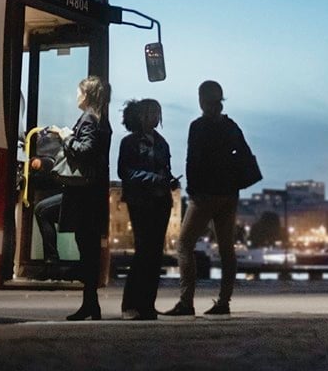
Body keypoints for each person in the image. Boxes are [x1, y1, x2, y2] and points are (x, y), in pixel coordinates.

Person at [164, 80, 246, 317]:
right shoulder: (231, 126)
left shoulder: (198, 126)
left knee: (184, 245)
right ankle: (223, 302)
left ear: (201, 99)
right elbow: (243, 156)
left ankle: (186, 301)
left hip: (204, 195)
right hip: (229, 194)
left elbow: (193, 160)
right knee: (226, 249)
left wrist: (192, 190)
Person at [56, 75, 112, 320]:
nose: (76, 96)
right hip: (94, 193)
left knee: (85, 246)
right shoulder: (102, 121)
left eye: (79, 92)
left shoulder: (88, 118)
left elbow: (86, 149)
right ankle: (91, 304)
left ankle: (58, 266)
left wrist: (65, 135)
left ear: (87, 95)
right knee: (89, 249)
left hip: (84, 195)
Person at [117, 99, 174, 321]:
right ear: (140, 116)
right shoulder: (129, 142)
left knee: (155, 254)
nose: (154, 117)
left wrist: (169, 181)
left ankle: (148, 304)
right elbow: (125, 171)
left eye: (157, 113)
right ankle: (130, 304)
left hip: (161, 201)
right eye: (150, 112)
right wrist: (154, 178)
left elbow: (165, 170)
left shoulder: (162, 143)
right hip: (140, 201)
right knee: (143, 252)